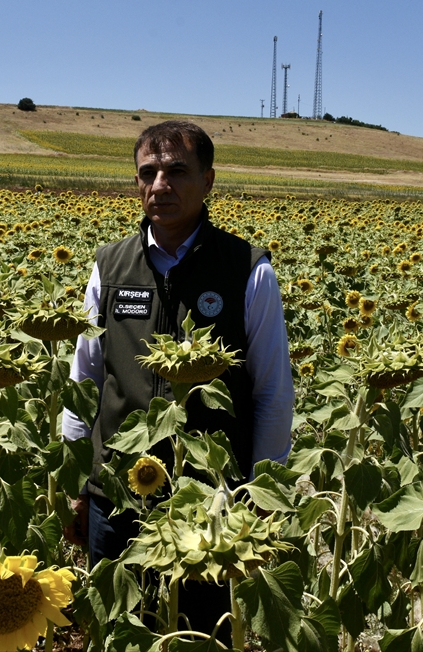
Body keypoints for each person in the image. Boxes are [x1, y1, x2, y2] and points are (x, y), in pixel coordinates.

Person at [61, 120, 294, 638]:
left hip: (211, 502)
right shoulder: (111, 265)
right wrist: (78, 481)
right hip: (118, 491)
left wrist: (259, 490)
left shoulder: (246, 269)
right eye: (148, 172)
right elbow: (86, 378)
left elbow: (272, 390)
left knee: (197, 634)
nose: (160, 185)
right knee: (118, 631)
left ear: (209, 181)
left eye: (176, 171)